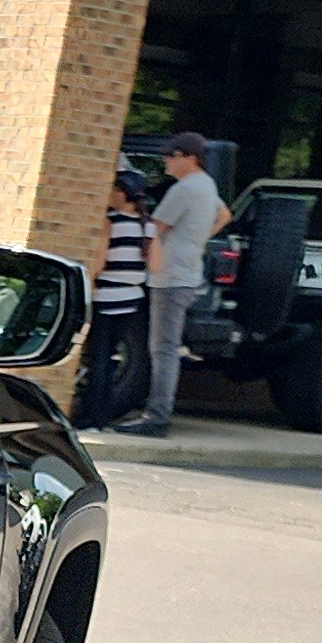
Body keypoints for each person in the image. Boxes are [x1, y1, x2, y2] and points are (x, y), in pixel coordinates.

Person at [129, 133, 224, 436]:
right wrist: (196, 241)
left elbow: (154, 230)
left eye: (171, 156)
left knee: (164, 349)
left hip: (170, 277)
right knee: (166, 347)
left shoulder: (184, 189)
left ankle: (157, 417)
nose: (167, 161)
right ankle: (156, 414)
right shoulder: (207, 186)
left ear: (188, 157)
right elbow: (225, 214)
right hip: (187, 273)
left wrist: (148, 261)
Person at [78, 172, 151, 427]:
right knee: (109, 358)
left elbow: (99, 262)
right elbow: (152, 263)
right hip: (131, 298)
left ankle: (90, 416)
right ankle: (103, 416)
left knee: (97, 357)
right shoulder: (146, 225)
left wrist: (89, 281)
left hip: (106, 296)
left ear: (122, 193)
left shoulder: (110, 222)